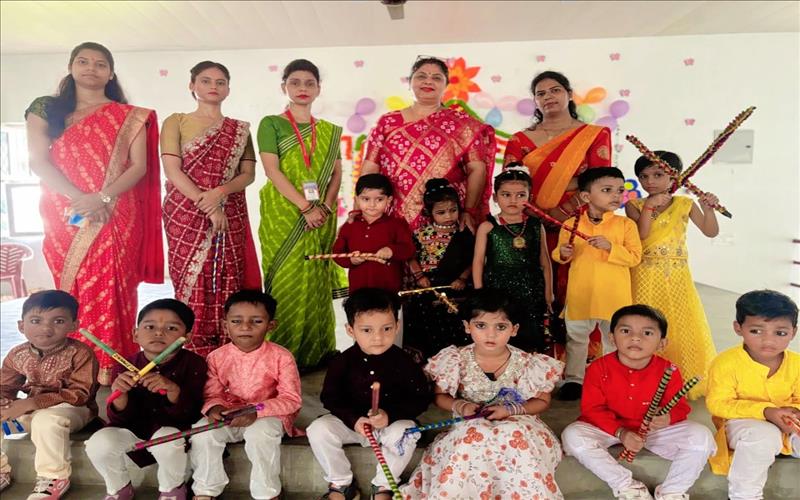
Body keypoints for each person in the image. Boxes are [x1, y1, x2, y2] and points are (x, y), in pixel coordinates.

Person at [24, 41, 163, 385]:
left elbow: (139, 167)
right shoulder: (47, 109)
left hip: (117, 211)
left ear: (111, 73)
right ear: (71, 67)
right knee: (73, 285)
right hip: (64, 209)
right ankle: (72, 363)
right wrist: (81, 199)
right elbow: (39, 161)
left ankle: (111, 366)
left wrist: (101, 198)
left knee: (115, 285)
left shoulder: (130, 116)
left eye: (100, 64)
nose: (91, 68)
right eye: (83, 61)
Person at [402, 288, 564, 499]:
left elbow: (542, 400)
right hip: (471, 421)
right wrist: (461, 406)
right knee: (474, 436)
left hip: (519, 421)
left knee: (513, 434)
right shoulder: (455, 359)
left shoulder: (528, 362)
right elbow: (440, 396)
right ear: (467, 326)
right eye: (481, 325)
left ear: (514, 329)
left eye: (500, 327)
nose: (491, 334)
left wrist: (511, 410)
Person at [562, 304, 716, 500]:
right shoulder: (597, 368)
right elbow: (592, 409)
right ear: (612, 338)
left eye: (647, 333)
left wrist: (667, 417)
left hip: (653, 431)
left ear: (662, 343)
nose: (635, 338)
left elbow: (680, 407)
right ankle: (628, 487)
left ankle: (672, 491)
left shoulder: (669, 370)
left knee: (701, 436)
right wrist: (621, 432)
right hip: (608, 429)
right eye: (626, 331)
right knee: (572, 435)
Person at [161, 61, 261, 357]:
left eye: (220, 82)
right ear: (192, 85)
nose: (213, 86)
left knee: (229, 272)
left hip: (229, 208)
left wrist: (219, 193)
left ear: (228, 89)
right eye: (205, 80)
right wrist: (206, 204)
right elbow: (172, 170)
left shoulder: (239, 130)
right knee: (190, 275)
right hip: (185, 210)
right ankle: (192, 348)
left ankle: (228, 349)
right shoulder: (176, 121)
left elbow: (248, 174)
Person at [257, 58, 346, 371]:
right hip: (283, 214)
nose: (302, 88)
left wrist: (325, 207)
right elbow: (272, 170)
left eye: (309, 83)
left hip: (320, 215)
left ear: (319, 89)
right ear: (284, 86)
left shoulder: (329, 131)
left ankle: (318, 351)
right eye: (295, 82)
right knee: (286, 279)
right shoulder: (272, 124)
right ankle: (284, 356)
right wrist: (305, 207)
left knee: (316, 278)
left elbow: (337, 173)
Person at [307, 288, 432, 500]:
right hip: (352, 426)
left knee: (406, 432)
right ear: (350, 330)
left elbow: (420, 399)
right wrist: (353, 419)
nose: (378, 337)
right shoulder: (341, 362)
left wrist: (390, 416)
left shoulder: (405, 362)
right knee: (318, 429)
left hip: (389, 428)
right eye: (367, 330)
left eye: (386, 328)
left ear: (397, 326)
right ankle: (341, 483)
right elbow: (330, 397)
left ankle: (383, 486)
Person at [504, 71, 611, 309]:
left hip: (577, 223)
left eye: (555, 90)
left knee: (575, 291)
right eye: (541, 93)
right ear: (535, 101)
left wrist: (562, 212)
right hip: (529, 223)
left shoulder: (593, 135)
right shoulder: (519, 140)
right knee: (531, 291)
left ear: (569, 94)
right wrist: (537, 214)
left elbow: (600, 183)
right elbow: (510, 185)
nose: (548, 97)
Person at [85, 298, 207, 500]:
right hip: (134, 429)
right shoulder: (124, 364)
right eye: (150, 327)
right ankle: (118, 488)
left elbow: (193, 414)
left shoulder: (195, 364)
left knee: (167, 439)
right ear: (135, 334)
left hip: (174, 431)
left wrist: (173, 390)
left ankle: (172, 489)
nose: (159, 333)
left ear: (186, 337)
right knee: (98, 443)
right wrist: (120, 393)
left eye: (171, 328)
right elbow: (119, 419)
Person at [189, 290, 302, 500]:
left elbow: (291, 399)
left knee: (260, 435)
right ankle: (205, 489)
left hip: (267, 416)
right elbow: (212, 394)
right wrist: (216, 408)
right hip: (230, 416)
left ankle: (266, 493)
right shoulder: (216, 357)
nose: (245, 327)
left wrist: (255, 411)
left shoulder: (282, 357)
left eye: (256, 321)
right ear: (225, 325)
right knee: (202, 433)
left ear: (271, 325)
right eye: (236, 321)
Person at [361, 56, 496, 232]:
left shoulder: (463, 124)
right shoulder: (387, 122)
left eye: (436, 78)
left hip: (444, 218)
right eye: (421, 76)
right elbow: (370, 168)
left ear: (446, 85)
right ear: (410, 82)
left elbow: (477, 169)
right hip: (393, 217)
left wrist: (469, 211)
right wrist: (360, 210)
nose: (428, 81)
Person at [625, 151, 718, 399]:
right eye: (644, 176)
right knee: (646, 323)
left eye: (658, 175)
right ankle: (645, 378)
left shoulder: (685, 204)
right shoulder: (634, 205)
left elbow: (710, 231)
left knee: (680, 323)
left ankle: (681, 378)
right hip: (645, 273)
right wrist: (649, 207)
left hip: (677, 275)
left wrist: (708, 209)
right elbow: (642, 234)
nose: (650, 181)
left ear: (674, 176)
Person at [552, 167, 642, 400]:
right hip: (581, 294)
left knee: (614, 340)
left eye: (620, 190)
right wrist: (564, 253)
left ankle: (614, 379)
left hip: (614, 296)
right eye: (607, 190)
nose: (616, 195)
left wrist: (611, 247)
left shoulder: (626, 225)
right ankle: (574, 380)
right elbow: (560, 255)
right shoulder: (572, 224)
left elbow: (635, 257)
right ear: (586, 196)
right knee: (576, 339)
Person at [0, 290, 99, 499]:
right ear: (21, 325)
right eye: (36, 320)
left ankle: (54, 478)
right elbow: (5, 386)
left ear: (74, 325)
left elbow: (80, 394)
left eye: (58, 321)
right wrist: (4, 403)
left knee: (46, 420)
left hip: (73, 413)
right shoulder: (17, 354)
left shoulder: (80, 353)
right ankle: (2, 471)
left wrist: (31, 403)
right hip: (29, 418)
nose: (46, 328)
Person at [706, 290, 799, 500]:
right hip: (743, 425)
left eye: (780, 333)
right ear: (738, 328)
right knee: (762, 435)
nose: (768, 340)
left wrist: (793, 413)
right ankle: (744, 496)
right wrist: (766, 412)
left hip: (788, 426)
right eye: (756, 331)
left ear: (793, 332)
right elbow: (718, 404)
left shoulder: (797, 364)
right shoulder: (725, 363)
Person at [473, 167, 553, 353]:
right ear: (495, 197)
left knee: (530, 335)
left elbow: (545, 262)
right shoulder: (487, 227)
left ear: (530, 197)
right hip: (498, 290)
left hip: (531, 290)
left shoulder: (535, 226)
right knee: (502, 333)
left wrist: (549, 293)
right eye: (506, 194)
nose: (513, 200)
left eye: (520, 195)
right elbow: (478, 262)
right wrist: (480, 294)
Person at [403, 178, 475, 362]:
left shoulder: (464, 234)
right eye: (441, 212)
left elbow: (473, 259)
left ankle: (456, 363)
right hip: (428, 285)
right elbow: (410, 256)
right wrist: (419, 277)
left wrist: (463, 278)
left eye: (453, 210)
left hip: (456, 286)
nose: (448, 215)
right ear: (429, 212)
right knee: (427, 327)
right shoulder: (421, 234)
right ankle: (430, 363)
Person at [332, 173, 416, 294]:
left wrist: (391, 250)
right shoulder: (349, 226)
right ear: (357, 199)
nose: (372, 205)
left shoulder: (397, 224)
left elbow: (409, 249)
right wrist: (351, 260)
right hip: (358, 289)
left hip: (388, 289)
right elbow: (337, 253)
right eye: (366, 199)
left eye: (379, 199)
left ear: (389, 200)